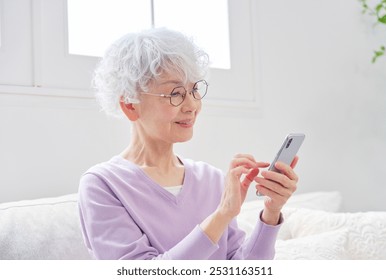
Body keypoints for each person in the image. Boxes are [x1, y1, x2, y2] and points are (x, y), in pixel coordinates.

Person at [78, 28, 299, 260]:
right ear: (130, 105)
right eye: (176, 93)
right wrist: (221, 215)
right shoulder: (102, 185)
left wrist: (271, 212)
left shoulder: (212, 179)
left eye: (194, 90)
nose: (192, 105)